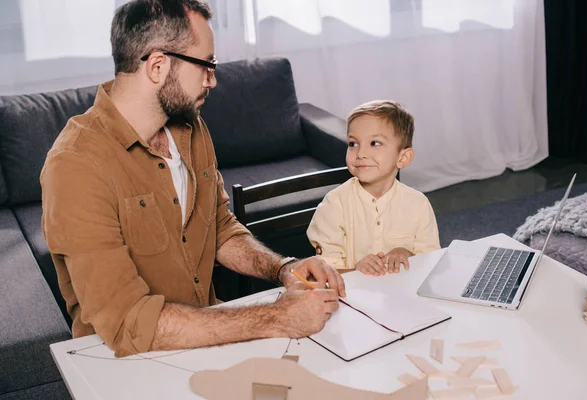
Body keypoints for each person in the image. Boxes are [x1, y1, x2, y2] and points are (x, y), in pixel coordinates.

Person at [40, 0, 345, 358]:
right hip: (125, 363)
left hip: (205, 336)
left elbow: (219, 229)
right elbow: (128, 322)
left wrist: (284, 268)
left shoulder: (191, 127)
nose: (212, 80)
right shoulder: (75, 166)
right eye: (206, 65)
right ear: (157, 66)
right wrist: (277, 317)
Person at [307, 100, 440, 276]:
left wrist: (408, 254)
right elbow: (323, 272)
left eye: (375, 143)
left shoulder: (419, 204)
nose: (360, 153)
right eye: (353, 144)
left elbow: (432, 263)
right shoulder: (334, 204)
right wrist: (356, 270)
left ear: (403, 158)